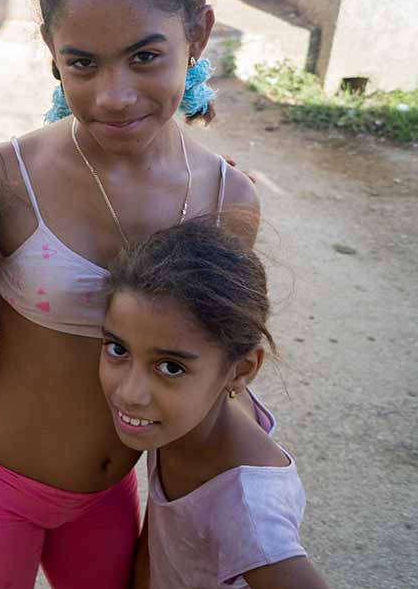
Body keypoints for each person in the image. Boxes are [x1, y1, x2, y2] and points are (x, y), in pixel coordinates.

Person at [0, 0, 259, 588]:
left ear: (197, 34)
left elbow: (222, 375)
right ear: (52, 51)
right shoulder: (3, 179)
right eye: (82, 62)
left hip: (109, 499)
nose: (113, 96)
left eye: (145, 56)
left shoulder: (229, 203)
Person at [99, 217, 328, 589]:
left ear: (241, 369)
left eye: (170, 367)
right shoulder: (186, 416)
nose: (129, 393)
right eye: (117, 349)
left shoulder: (247, 506)